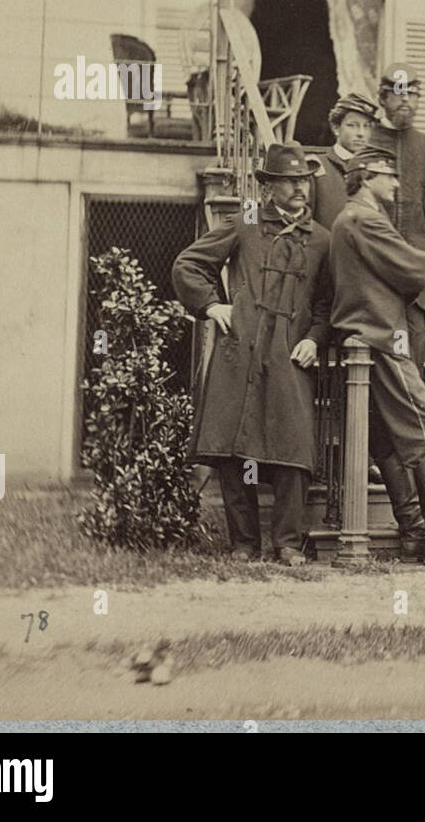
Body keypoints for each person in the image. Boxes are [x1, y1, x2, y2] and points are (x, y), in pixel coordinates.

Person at [172, 142, 331, 566]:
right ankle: (243, 542)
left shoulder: (322, 239)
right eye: (290, 181)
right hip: (240, 349)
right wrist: (211, 306)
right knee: (232, 447)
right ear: (270, 187)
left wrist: (315, 337)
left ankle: (288, 543)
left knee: (293, 447)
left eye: (304, 181)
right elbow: (189, 264)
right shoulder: (245, 221)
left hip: (289, 353)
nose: (300, 189)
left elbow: (327, 304)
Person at [329, 146, 425, 565]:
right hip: (382, 339)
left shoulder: (350, 219)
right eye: (389, 175)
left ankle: (414, 531)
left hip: (367, 339)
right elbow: (416, 270)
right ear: (365, 177)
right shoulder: (364, 219)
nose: (397, 184)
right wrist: (419, 259)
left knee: (386, 442)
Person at [368, 62, 425, 369]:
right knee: (375, 343)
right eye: (398, 94)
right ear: (382, 98)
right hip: (374, 259)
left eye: (412, 94)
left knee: (415, 341)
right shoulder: (367, 140)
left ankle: (412, 415)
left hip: (415, 261)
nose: (405, 101)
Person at [311, 92, 378, 230]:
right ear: (336, 128)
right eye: (352, 125)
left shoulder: (374, 170)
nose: (361, 133)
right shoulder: (317, 168)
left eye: (366, 126)